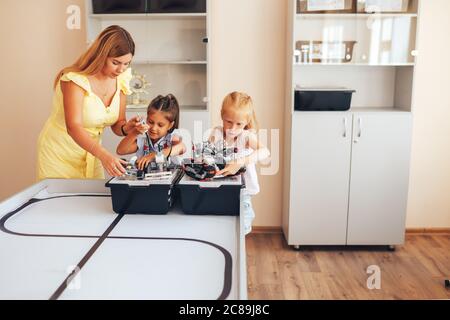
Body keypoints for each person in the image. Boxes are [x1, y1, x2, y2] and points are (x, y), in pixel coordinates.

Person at [37, 25, 145, 180]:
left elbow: (118, 123)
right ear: (101, 55)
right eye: (116, 62)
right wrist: (104, 155)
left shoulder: (121, 79)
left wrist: (129, 127)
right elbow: (73, 127)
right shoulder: (75, 80)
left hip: (92, 154)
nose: (121, 69)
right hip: (59, 154)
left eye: (126, 63)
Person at [209, 92, 270, 235]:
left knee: (240, 230)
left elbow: (265, 151)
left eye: (239, 124)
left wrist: (240, 162)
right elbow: (208, 153)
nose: (233, 128)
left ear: (246, 122)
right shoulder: (216, 133)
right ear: (222, 116)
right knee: (223, 229)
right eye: (228, 121)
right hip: (221, 189)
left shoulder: (246, 136)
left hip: (243, 193)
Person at [116, 94, 186, 170]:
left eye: (160, 125)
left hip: (170, 181)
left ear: (170, 125)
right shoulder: (144, 141)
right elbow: (120, 150)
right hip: (147, 181)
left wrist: (154, 155)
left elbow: (181, 147)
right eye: (150, 122)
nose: (154, 128)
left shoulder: (173, 137)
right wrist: (134, 132)